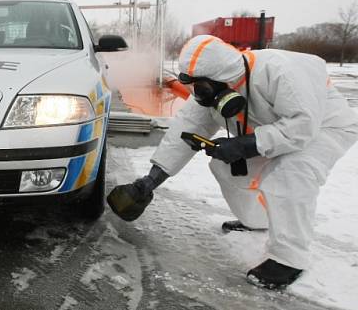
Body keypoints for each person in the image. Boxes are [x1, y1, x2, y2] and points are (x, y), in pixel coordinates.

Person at [107, 35, 358, 289]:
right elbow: (184, 130)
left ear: (226, 78)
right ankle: (256, 221)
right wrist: (150, 181)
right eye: (196, 89)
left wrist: (244, 144)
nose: (200, 95)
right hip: (271, 131)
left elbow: (302, 126)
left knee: (290, 174)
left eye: (203, 89)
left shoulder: (279, 72)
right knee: (225, 167)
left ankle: (289, 258)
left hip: (324, 128)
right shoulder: (209, 90)